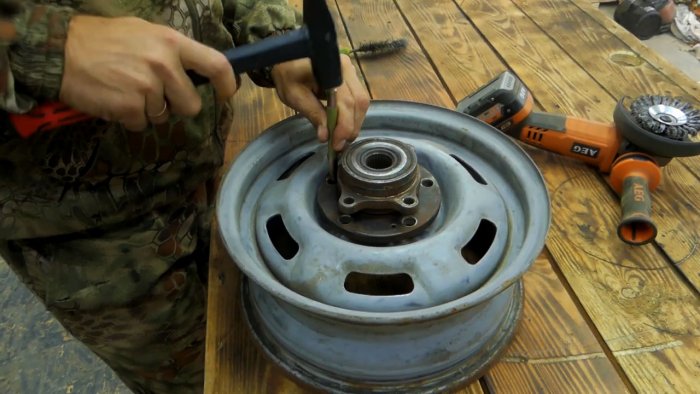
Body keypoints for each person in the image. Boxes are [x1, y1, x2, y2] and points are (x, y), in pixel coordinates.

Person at [0, 1, 369, 393]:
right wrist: (47, 45)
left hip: (211, 174)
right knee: (207, 382)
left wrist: (274, 38)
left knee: (268, 335)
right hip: (92, 240)